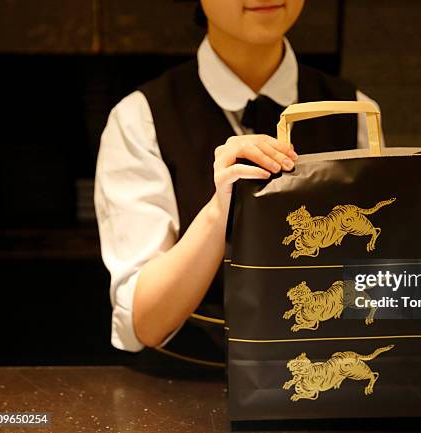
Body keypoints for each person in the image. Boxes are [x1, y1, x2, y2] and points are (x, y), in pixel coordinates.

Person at [94, 0, 384, 363]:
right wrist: (217, 211)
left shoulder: (355, 111)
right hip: (187, 378)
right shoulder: (140, 118)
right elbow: (146, 323)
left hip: (324, 376)